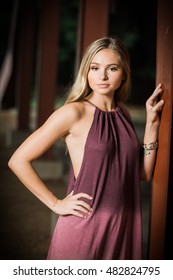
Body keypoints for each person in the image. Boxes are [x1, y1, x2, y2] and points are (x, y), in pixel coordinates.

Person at [8, 36, 164, 260]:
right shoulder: (74, 112)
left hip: (122, 228)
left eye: (112, 68)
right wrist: (56, 203)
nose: (102, 76)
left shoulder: (124, 113)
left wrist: (152, 124)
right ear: (86, 71)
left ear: (124, 72)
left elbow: (144, 173)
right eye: (95, 68)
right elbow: (18, 159)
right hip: (84, 229)